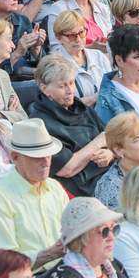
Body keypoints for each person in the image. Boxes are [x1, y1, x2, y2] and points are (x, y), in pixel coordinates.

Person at [0, 118, 68, 265]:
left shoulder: (55, 188)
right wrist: (49, 254)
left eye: (48, 154)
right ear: (15, 157)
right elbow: (4, 264)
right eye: (37, 156)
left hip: (67, 270)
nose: (46, 162)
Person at [28, 55, 111, 196]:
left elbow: (111, 137)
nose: (70, 90)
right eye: (62, 86)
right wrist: (98, 143)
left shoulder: (80, 108)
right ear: (44, 89)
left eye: (71, 83)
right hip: (85, 189)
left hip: (110, 171)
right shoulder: (40, 123)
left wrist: (111, 153)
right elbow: (67, 168)